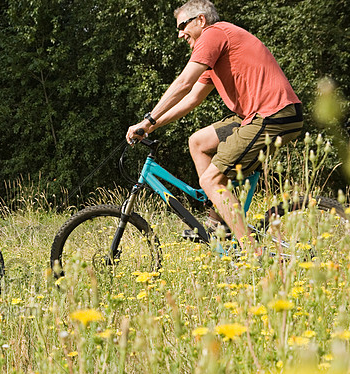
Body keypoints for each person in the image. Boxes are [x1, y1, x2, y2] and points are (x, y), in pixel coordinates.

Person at [126, 0, 303, 255]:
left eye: (182, 26)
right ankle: (218, 222)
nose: (179, 33)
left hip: (273, 115)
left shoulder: (214, 34)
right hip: (256, 117)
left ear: (200, 20)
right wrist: (153, 127)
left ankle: (252, 254)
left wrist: (148, 120)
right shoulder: (217, 53)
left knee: (211, 178)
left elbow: (185, 82)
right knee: (198, 142)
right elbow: (192, 98)